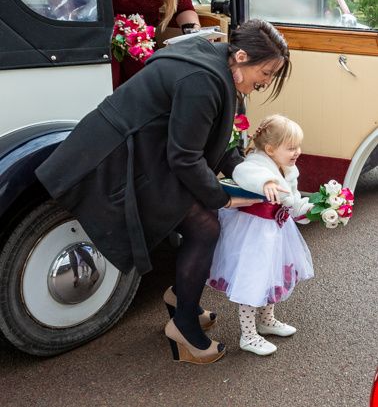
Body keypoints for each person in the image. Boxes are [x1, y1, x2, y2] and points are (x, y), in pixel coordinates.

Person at [35, 19, 291, 365]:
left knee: (204, 221)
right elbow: (186, 157)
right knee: (206, 226)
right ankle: (183, 324)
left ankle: (181, 300)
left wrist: (257, 179)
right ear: (242, 56)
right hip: (113, 155)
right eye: (267, 72)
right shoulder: (204, 81)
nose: (266, 82)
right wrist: (225, 196)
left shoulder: (219, 64)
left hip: (145, 152)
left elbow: (219, 147)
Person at [208, 114, 314, 356]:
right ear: (270, 149)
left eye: (298, 146)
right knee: (253, 279)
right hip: (255, 231)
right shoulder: (257, 164)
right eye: (291, 147)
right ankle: (248, 335)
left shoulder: (288, 168)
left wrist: (309, 209)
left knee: (272, 274)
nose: (297, 152)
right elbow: (245, 173)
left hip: (277, 231)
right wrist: (265, 181)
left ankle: (266, 320)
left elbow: (292, 200)